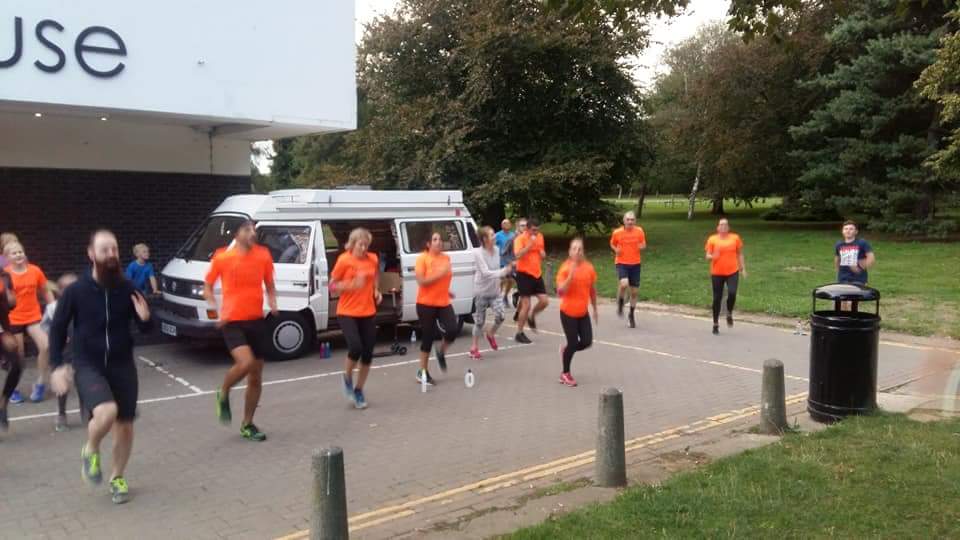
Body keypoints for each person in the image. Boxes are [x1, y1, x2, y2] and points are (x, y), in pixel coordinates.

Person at [49, 230, 153, 504]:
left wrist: (145, 319)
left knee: (126, 425)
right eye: (105, 250)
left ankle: (117, 477)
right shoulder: (76, 291)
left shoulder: (127, 287)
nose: (111, 255)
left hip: (122, 364)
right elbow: (58, 328)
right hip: (87, 363)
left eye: (115, 250)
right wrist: (57, 366)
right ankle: (91, 448)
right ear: (91, 254)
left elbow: (145, 326)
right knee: (107, 412)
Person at [204, 220, 277, 442]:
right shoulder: (223, 257)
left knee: (256, 377)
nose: (252, 232)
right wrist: (212, 305)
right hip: (232, 321)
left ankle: (247, 424)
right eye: (247, 229)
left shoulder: (263, 255)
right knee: (245, 363)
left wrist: (272, 302)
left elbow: (269, 284)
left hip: (256, 321)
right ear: (236, 234)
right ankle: (223, 391)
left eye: (253, 228)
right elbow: (207, 285)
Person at [331, 228, 382, 409]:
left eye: (366, 245)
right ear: (353, 244)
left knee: (367, 354)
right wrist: (352, 284)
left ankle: (359, 390)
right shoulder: (344, 260)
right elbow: (332, 286)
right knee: (355, 347)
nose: (364, 248)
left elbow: (375, 275)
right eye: (361, 244)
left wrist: (376, 290)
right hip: (347, 312)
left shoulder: (373, 259)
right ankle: (347, 377)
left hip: (368, 311)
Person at [3, 241, 54, 403]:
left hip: (33, 316)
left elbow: (46, 291)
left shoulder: (35, 270)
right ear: (6, 257)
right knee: (19, 357)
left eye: (20, 252)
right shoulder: (4, 274)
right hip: (12, 319)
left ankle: (40, 384)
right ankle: (13, 389)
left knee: (46, 345)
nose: (18, 255)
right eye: (14, 253)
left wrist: (53, 308)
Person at [414, 232, 457, 385]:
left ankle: (441, 352)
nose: (439, 242)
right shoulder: (422, 259)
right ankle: (422, 372)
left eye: (440, 239)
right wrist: (440, 274)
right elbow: (422, 281)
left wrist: (447, 290)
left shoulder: (446, 258)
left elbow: (446, 278)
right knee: (428, 337)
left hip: (443, 301)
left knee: (453, 329)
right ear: (428, 244)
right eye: (435, 239)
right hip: (426, 304)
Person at [555, 238, 598, 387]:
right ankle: (565, 373)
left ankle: (566, 350)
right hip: (568, 313)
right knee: (573, 343)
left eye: (580, 249)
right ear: (569, 251)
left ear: (583, 251)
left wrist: (595, 308)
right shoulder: (564, 268)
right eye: (574, 249)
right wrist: (570, 276)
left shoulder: (589, 268)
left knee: (587, 342)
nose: (577, 252)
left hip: (583, 312)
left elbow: (592, 289)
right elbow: (561, 292)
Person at [470, 226, 514, 360]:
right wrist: (503, 271)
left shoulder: (496, 250)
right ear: (484, 239)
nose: (495, 237)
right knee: (479, 322)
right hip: (481, 292)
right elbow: (485, 273)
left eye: (494, 234)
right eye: (491, 235)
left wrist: (507, 270)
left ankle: (491, 333)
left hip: (494, 292)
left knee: (500, 316)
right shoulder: (477, 253)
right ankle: (474, 347)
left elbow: (497, 269)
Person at [42, 273, 78, 432]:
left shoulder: (86, 304)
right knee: (63, 385)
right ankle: (61, 414)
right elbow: (45, 327)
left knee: (87, 381)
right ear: (61, 291)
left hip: (84, 351)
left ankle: (90, 412)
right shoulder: (53, 308)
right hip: (64, 353)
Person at [705, 218, 747, 335]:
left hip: (732, 271)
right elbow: (707, 256)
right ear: (718, 227)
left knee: (732, 293)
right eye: (721, 225)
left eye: (725, 225)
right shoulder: (712, 239)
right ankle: (715, 323)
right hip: (717, 273)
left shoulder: (735, 238)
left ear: (728, 227)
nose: (723, 227)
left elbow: (739, 253)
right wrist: (714, 256)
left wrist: (743, 268)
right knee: (717, 298)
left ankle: (729, 312)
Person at [513, 218, 548, 344]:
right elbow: (517, 255)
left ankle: (532, 316)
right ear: (527, 229)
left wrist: (542, 253)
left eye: (537, 230)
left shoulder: (540, 237)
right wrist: (528, 246)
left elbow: (541, 251)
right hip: (524, 274)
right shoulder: (520, 239)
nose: (536, 233)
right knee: (526, 304)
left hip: (536, 273)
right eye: (533, 230)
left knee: (544, 301)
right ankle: (519, 333)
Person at [609, 211, 647, 328]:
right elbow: (612, 243)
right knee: (624, 284)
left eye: (632, 220)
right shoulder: (617, 233)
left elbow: (643, 244)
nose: (630, 221)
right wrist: (616, 250)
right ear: (624, 221)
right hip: (622, 263)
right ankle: (620, 303)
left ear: (635, 221)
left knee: (634, 292)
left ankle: (631, 314)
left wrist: (642, 247)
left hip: (635, 264)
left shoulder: (639, 231)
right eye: (628, 219)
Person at [0, 269, 20, 431]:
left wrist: (11, 299)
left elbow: (10, 304)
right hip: (2, 332)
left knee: (17, 365)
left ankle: (3, 402)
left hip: (4, 329)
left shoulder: (4, 276)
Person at [835, 220, 875, 285]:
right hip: (843, 278)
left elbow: (871, 258)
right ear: (842, 231)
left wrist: (861, 268)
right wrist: (838, 272)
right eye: (846, 229)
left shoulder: (862, 243)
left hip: (858, 279)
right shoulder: (839, 244)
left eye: (851, 229)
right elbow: (837, 259)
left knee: (855, 295)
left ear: (856, 231)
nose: (848, 231)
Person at [494, 219, 517, 305]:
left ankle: (505, 296)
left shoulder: (513, 235)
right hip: (501, 260)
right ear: (501, 225)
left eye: (508, 223)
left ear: (510, 225)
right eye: (504, 223)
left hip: (511, 261)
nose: (506, 225)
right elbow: (492, 246)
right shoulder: (498, 235)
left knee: (511, 280)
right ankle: (499, 297)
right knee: (502, 279)